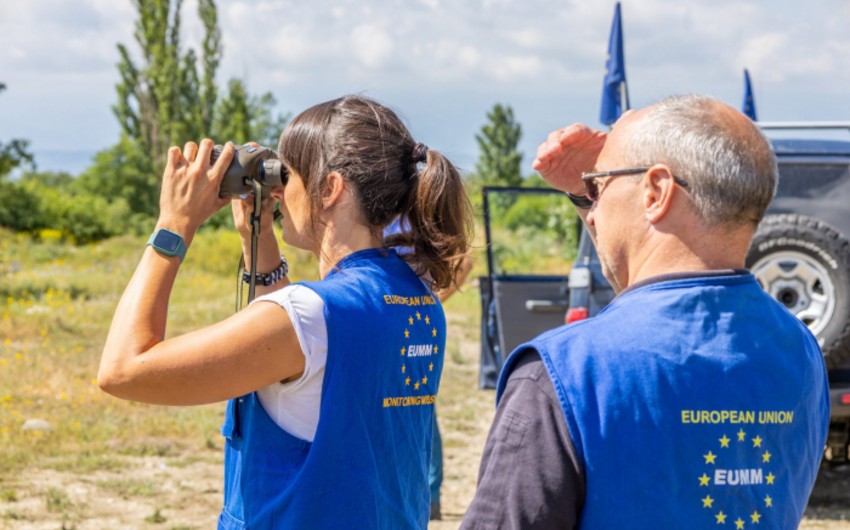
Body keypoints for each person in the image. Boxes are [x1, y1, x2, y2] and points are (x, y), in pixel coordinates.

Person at [98, 95, 473, 529]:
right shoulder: (418, 300)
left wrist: (173, 224)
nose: (276, 190)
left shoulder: (311, 315)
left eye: (286, 174)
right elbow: (298, 379)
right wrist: (257, 238)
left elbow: (123, 370)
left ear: (329, 189)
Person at [461, 94, 829, 529]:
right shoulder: (800, 350)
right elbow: (646, 294)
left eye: (597, 188)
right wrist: (594, 189)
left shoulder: (564, 372)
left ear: (655, 192)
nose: (592, 214)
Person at [384, 217, 474, 521]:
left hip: (412, 324)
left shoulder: (414, 216)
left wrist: (430, 302)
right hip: (387, 322)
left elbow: (464, 261)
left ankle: (430, 495)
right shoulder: (375, 215)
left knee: (419, 406)